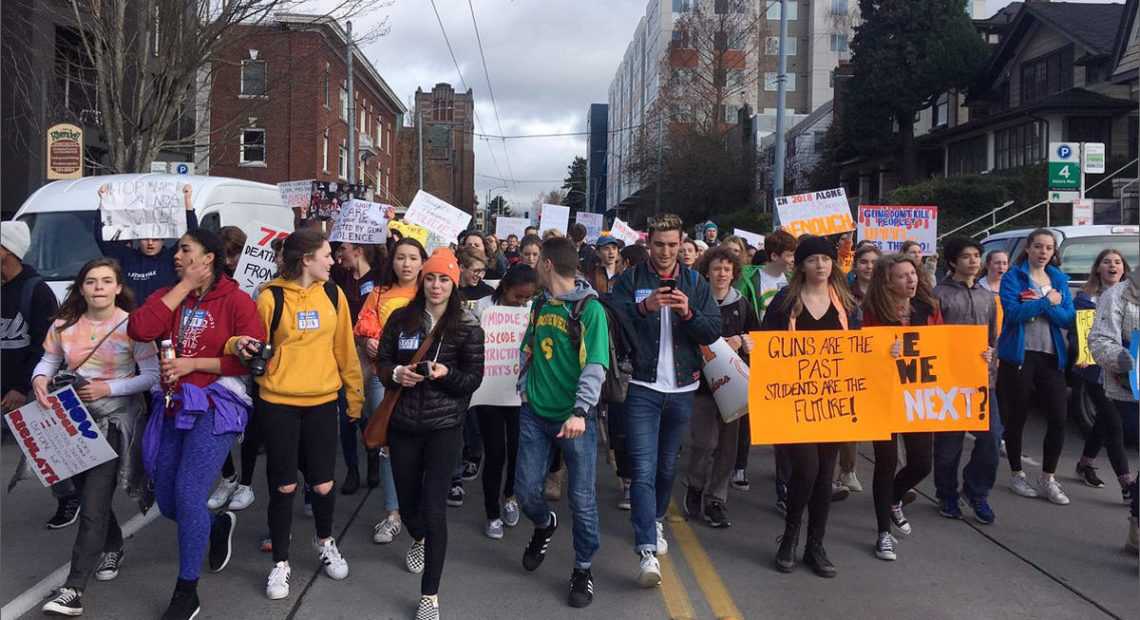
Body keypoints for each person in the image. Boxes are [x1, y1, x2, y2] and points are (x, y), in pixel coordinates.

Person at [126, 228, 265, 620]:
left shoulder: (236, 301)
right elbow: (139, 329)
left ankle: (187, 592)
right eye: (178, 249)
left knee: (188, 492)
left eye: (185, 250)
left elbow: (250, 359)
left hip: (217, 403)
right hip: (172, 404)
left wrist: (194, 364)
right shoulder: (170, 295)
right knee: (169, 501)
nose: (176, 255)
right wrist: (183, 286)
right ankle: (216, 525)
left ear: (209, 258)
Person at [229, 228, 363, 600]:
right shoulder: (270, 297)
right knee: (284, 485)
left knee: (322, 484)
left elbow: (345, 350)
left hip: (322, 400)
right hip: (278, 402)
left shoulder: (334, 294)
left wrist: (354, 396)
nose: (333, 261)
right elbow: (243, 341)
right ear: (307, 260)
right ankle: (281, 564)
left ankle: (325, 542)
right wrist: (239, 345)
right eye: (326, 255)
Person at [34, 259, 159, 617]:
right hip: (70, 421)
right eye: (91, 281)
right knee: (86, 493)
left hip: (115, 423)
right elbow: (48, 361)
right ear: (82, 287)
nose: (99, 287)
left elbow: (150, 376)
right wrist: (39, 380)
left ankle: (74, 589)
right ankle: (114, 545)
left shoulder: (132, 326)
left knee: (93, 503)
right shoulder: (64, 324)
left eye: (107, 281)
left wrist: (109, 386)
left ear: (119, 287)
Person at [611, 213, 721, 587]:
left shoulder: (695, 282)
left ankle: (655, 520)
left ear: (681, 244)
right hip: (641, 385)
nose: (665, 251)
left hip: (683, 387)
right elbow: (612, 320)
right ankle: (645, 551)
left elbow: (713, 329)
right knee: (642, 469)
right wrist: (645, 308)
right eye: (659, 244)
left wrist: (687, 311)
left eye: (673, 245)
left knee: (664, 467)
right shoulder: (631, 280)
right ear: (648, 244)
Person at [376, 248, 484, 620]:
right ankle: (417, 537)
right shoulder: (401, 319)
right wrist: (395, 375)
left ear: (454, 284)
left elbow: (472, 380)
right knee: (408, 507)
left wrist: (445, 375)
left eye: (444, 279)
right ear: (422, 280)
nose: (436, 286)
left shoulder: (468, 326)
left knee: (434, 510)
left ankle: (430, 596)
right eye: (431, 277)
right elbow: (383, 362)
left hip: (444, 428)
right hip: (403, 424)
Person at [515, 237, 608, 607]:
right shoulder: (540, 304)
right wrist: (524, 388)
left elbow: (595, 366)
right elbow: (529, 348)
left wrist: (581, 412)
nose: (535, 266)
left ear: (549, 265)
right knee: (525, 490)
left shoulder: (589, 310)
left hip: (574, 421)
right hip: (535, 414)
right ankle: (543, 524)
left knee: (582, 499)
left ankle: (583, 567)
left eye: (540, 263)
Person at [762, 235, 858, 578]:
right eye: (813, 259)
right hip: (793, 402)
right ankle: (789, 537)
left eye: (826, 259)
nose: (821, 265)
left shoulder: (846, 304)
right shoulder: (784, 303)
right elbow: (766, 347)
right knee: (805, 469)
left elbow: (861, 349)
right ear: (800, 264)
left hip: (832, 402)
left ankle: (815, 545)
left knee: (824, 476)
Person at [862, 253, 944, 561]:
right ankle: (883, 532)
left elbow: (945, 348)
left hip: (917, 397)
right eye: (902, 276)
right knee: (885, 463)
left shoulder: (929, 308)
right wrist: (884, 351)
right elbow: (863, 354)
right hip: (883, 396)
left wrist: (978, 355)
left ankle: (894, 499)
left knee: (922, 463)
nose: (910, 280)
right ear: (887, 281)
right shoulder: (872, 311)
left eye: (913, 274)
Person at [1, 220, 76, 528]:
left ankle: (69, 497)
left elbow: (43, 347)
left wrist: (21, 387)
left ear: (7, 251)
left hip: (28, 387)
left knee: (46, 446)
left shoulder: (37, 291)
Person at [355, 237, 428, 545]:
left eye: (413, 258)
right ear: (392, 261)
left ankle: (421, 515)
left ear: (423, 262)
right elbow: (361, 330)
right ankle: (393, 514)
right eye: (401, 257)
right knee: (387, 444)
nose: (407, 264)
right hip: (383, 377)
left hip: (424, 381)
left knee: (422, 445)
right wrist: (365, 341)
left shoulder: (432, 292)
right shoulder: (378, 293)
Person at [996, 229, 1076, 505]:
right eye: (1038, 246)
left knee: (1058, 416)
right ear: (1028, 248)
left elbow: (1068, 318)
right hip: (1019, 355)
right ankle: (1017, 473)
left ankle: (1047, 478)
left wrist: (1042, 305)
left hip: (1051, 355)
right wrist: (1046, 302)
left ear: (1054, 252)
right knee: (1016, 416)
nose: (1043, 252)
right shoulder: (1013, 277)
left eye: (1049, 248)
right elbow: (1014, 313)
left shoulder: (1058, 279)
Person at [685, 245, 758, 528]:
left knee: (728, 446)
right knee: (703, 443)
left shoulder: (741, 304)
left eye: (727, 270)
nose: (722, 274)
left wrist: (742, 339)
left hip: (733, 385)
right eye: (716, 269)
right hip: (702, 385)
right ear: (706, 272)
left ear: (734, 273)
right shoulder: (696, 302)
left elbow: (756, 334)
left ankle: (716, 499)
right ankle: (695, 485)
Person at [931, 237, 1001, 526]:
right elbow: (929, 339)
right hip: (948, 380)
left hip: (982, 380)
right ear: (952, 262)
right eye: (966, 257)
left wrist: (990, 352)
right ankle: (947, 493)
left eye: (976, 256)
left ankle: (977, 491)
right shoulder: (937, 295)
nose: (973, 261)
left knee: (992, 437)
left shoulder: (988, 298)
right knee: (949, 443)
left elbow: (993, 338)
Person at [472, 265, 537, 539]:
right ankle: (491, 513)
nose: (521, 302)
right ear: (505, 288)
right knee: (496, 453)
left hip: (519, 392)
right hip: (490, 391)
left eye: (526, 298)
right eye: (517, 296)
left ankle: (509, 495)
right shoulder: (484, 306)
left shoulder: (533, 309)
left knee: (517, 450)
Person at [733, 229, 797, 502]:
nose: (795, 259)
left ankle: (786, 482)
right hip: (754, 354)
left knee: (785, 422)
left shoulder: (794, 280)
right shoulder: (750, 280)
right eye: (790, 254)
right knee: (748, 416)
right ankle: (739, 465)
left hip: (787, 359)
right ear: (774, 256)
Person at [1073, 250, 1133, 498]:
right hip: (1095, 371)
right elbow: (1079, 331)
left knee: (1103, 421)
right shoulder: (1087, 298)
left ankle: (1084, 463)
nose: (1112, 266)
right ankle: (1127, 484)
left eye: (1117, 262)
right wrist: (1083, 354)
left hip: (1125, 372)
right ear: (1097, 268)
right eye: (1106, 262)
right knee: (1114, 422)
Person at [1088, 266, 1140, 552]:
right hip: (1130, 393)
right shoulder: (1119, 295)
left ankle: (1136, 522)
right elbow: (1099, 340)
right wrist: (1123, 358)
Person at [330, 241, 384, 495]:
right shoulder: (341, 275)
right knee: (346, 414)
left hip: (369, 353)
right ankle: (352, 468)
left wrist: (386, 232)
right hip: (343, 351)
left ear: (359, 251)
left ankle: (372, 455)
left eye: (345, 249)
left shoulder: (379, 275)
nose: (340, 254)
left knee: (368, 414)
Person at [95, 184, 198, 301]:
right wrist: (103, 201)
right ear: (138, 238)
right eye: (145, 239)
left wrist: (187, 201)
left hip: (162, 315)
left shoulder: (171, 257)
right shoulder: (126, 257)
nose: (150, 243)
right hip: (130, 316)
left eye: (155, 239)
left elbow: (193, 234)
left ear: (163, 239)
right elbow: (101, 237)